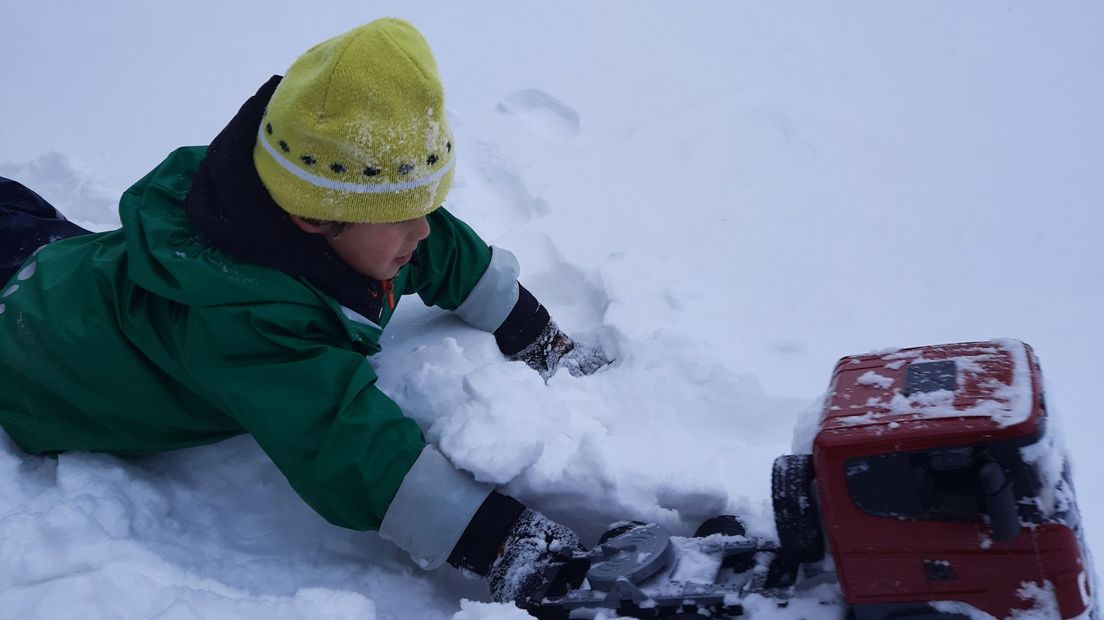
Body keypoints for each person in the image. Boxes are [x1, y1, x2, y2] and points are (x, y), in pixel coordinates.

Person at [0, 19, 609, 605]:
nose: (421, 230)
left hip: (61, 267)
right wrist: (533, 558)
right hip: (33, 358)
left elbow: (445, 247)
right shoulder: (248, 325)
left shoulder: (346, 222)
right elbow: (353, 453)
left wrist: (539, 339)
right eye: (402, 215)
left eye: (423, 204)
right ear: (313, 218)